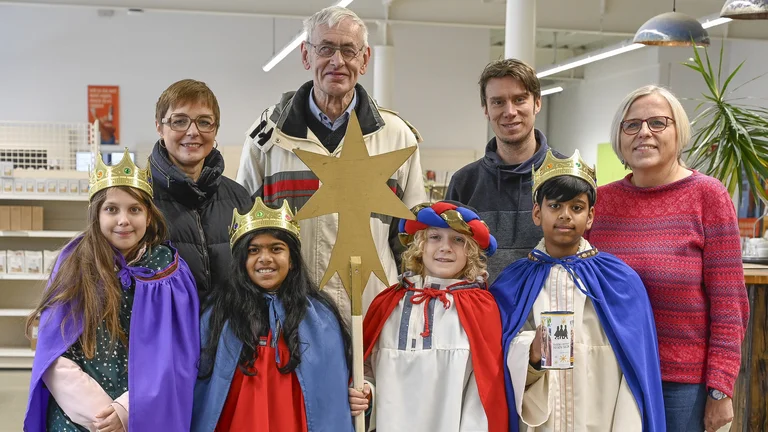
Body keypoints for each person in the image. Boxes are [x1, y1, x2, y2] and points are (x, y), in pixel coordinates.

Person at [236, 6, 426, 314]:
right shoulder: (268, 139)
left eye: (349, 50)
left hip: (374, 313)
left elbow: (414, 241)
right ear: (306, 55)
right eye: (325, 49)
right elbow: (244, 236)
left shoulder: (397, 138)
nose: (337, 61)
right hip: (290, 315)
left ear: (364, 60)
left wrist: (409, 314)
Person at [587, 85, 749, 432]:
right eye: (632, 125)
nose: (644, 132)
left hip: (679, 385)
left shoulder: (708, 196)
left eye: (658, 123)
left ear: (679, 132)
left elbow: (729, 304)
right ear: (619, 137)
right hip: (611, 373)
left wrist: (720, 388)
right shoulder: (600, 203)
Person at [24, 150, 199, 431]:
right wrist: (101, 415)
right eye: (112, 209)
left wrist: (126, 410)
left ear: (149, 216)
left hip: (145, 410)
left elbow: (175, 354)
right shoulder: (75, 264)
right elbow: (53, 353)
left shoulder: (168, 271)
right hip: (76, 416)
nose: (123, 220)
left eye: (134, 209)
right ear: (96, 214)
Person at [491, 149, 665, 432]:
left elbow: (636, 370)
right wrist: (530, 353)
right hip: (539, 421)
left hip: (601, 415)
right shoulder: (514, 282)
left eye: (576, 207)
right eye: (555, 205)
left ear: (591, 216)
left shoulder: (619, 281)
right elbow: (495, 361)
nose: (565, 215)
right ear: (537, 212)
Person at [192, 198, 354, 432]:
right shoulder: (219, 314)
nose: (265, 258)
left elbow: (334, 389)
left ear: (292, 260)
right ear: (241, 261)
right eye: (253, 250)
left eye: (276, 248)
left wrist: (360, 395)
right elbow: (202, 389)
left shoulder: (319, 318)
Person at [355, 201, 508, 432]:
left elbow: (485, 391)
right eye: (435, 237)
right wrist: (367, 393)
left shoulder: (482, 308)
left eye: (458, 240)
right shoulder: (387, 303)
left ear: (472, 251)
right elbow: (367, 372)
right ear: (419, 245)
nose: (445, 247)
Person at [445, 59, 562, 282]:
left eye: (519, 99)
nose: (510, 111)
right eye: (498, 102)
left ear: (537, 103)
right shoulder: (464, 183)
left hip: (550, 304)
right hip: (480, 303)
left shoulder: (566, 177)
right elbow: (450, 258)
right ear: (486, 109)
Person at [151, 79, 253, 306]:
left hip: (228, 327)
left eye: (204, 122)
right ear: (159, 127)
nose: (192, 132)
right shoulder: (139, 199)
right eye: (179, 121)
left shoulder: (239, 199)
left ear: (215, 129)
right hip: (165, 328)